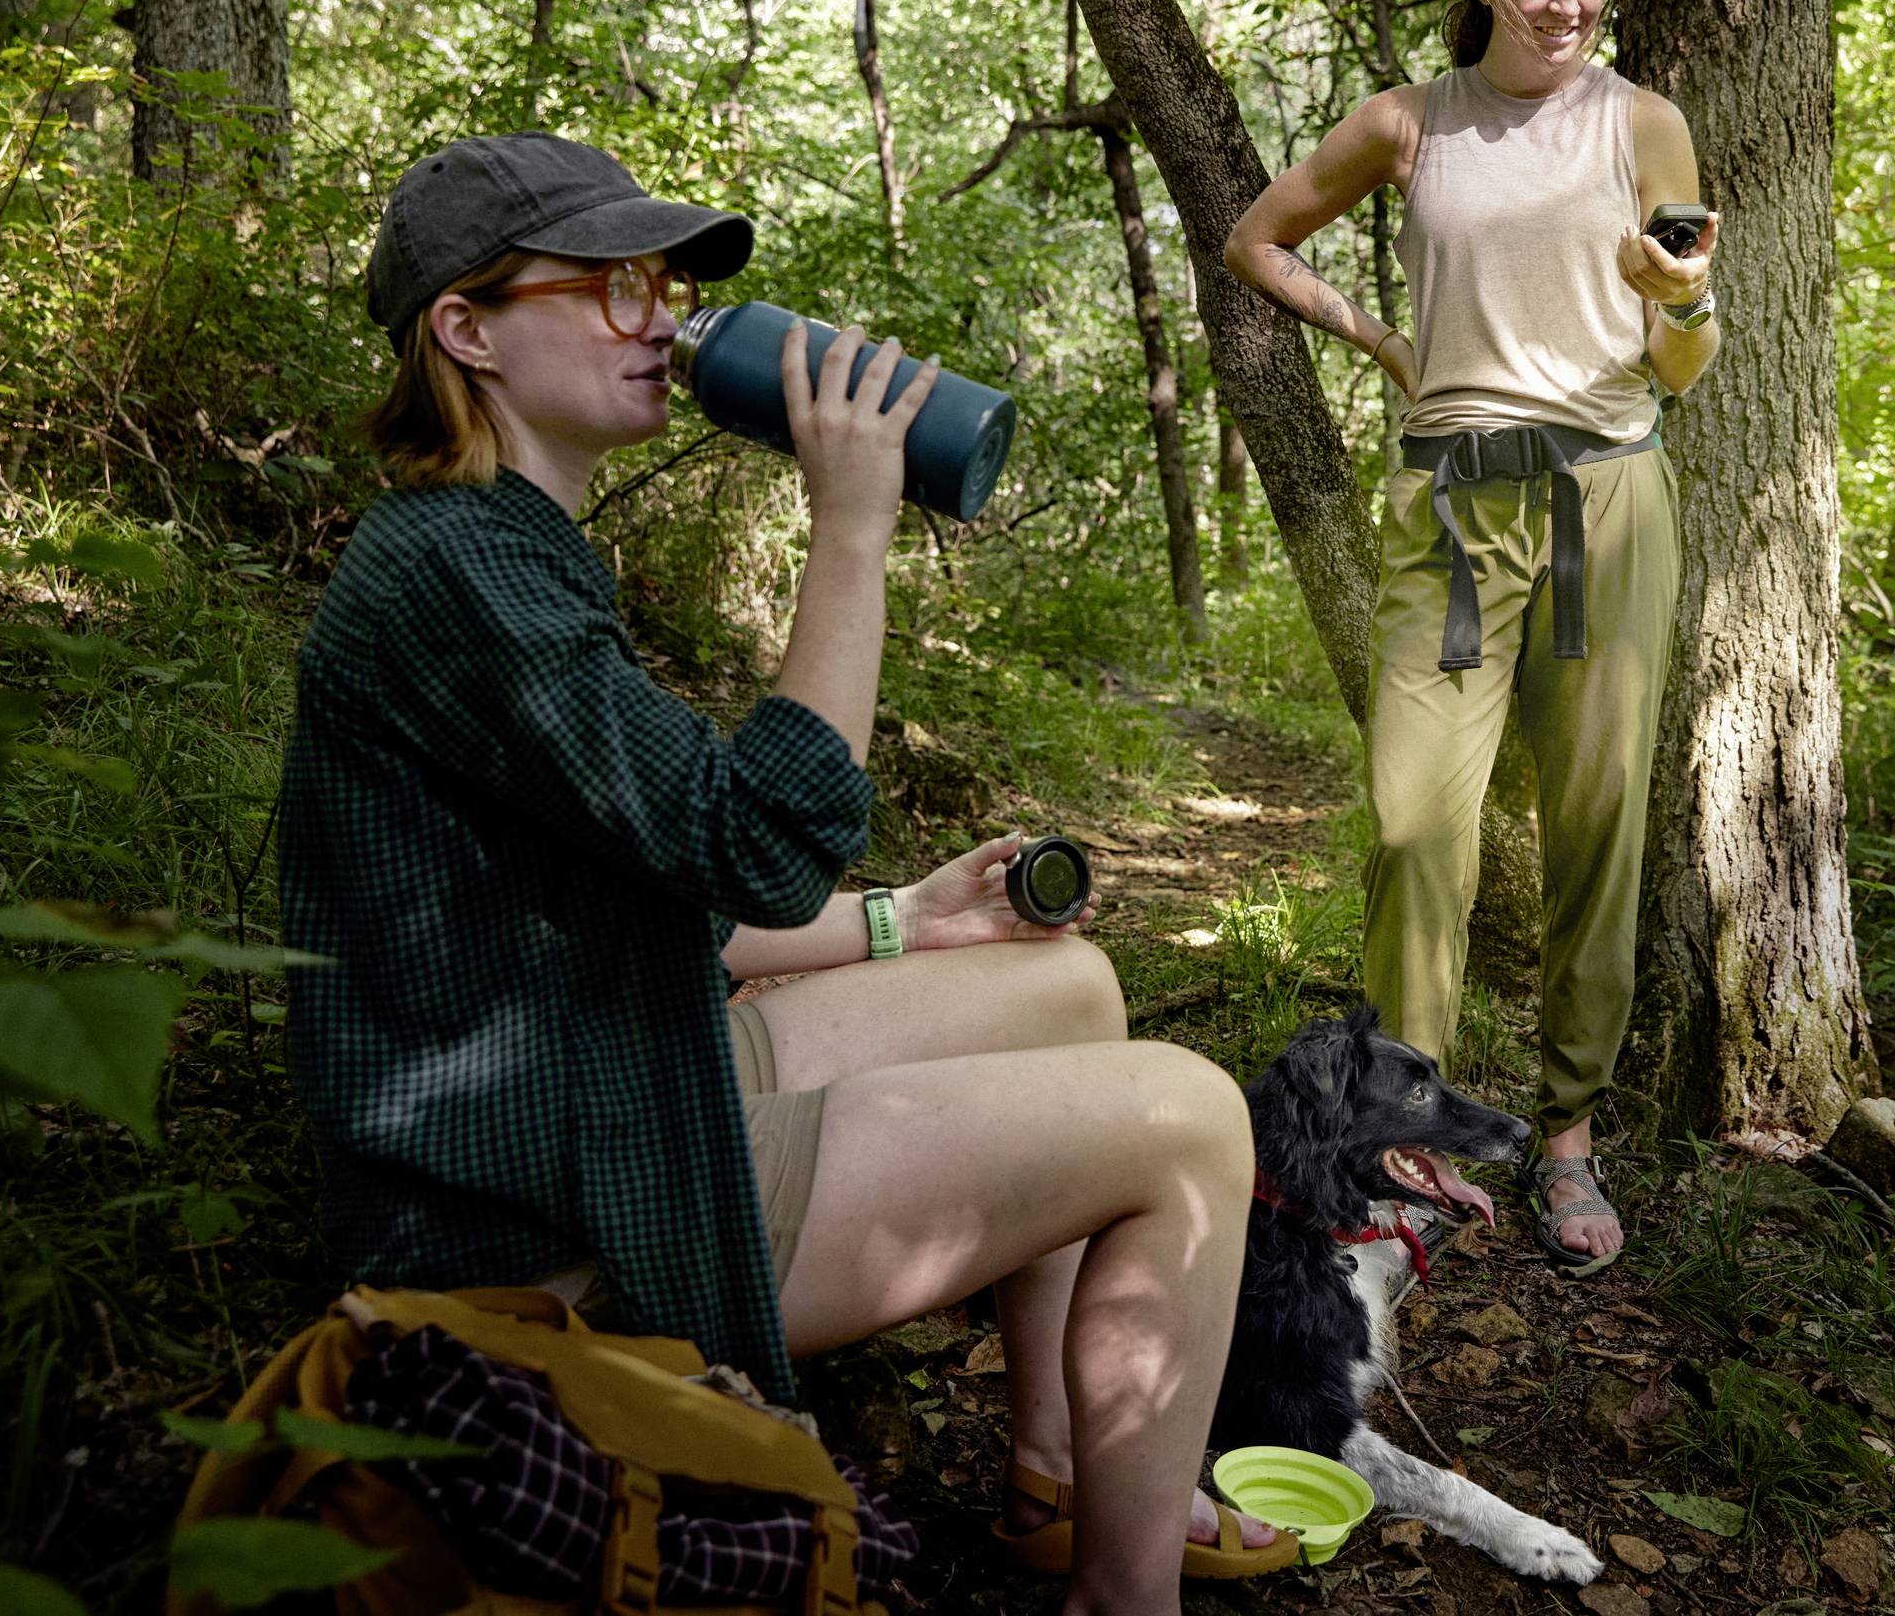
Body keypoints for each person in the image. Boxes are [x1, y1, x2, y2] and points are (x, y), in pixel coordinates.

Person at [276, 132, 1289, 1613]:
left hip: (604, 1077)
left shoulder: (505, 545)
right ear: (468, 328)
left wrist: (905, 919)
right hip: (551, 1215)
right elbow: (754, 831)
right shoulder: (458, 573)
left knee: (1065, 982)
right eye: (612, 285)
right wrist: (853, 527)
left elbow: (654, 895)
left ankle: (1062, 1475)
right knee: (1195, 1119)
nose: (660, 318)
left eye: (662, 282)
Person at [1223, 0, 1721, 1277]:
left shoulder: (1645, 125)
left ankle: (1566, 1135)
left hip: (1608, 501)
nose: (1566, 2)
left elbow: (1690, 358)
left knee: (1596, 830)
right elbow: (1258, 238)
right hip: (1447, 513)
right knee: (1410, 825)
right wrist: (1380, 339)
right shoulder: (1408, 121)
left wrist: (1673, 298)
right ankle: (1399, 1137)